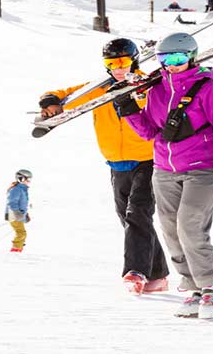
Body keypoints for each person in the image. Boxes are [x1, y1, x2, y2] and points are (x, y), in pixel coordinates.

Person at [115, 32, 213, 319]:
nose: (172, 65)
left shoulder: (209, 88)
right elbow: (149, 132)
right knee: (170, 231)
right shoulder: (156, 90)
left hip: (202, 168)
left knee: (190, 226)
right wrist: (128, 110)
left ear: (191, 57)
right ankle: (193, 287)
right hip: (164, 170)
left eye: (178, 59)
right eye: (165, 59)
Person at [38, 39, 169, 295]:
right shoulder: (100, 89)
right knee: (129, 218)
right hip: (117, 163)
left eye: (122, 62)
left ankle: (136, 271)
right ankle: (158, 275)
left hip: (149, 160)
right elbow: (63, 95)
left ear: (134, 60)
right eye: (112, 63)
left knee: (137, 214)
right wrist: (50, 103)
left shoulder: (147, 85)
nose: (118, 68)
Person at [5, 169, 33, 253]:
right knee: (21, 233)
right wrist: (17, 213)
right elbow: (11, 203)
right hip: (14, 215)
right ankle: (15, 250)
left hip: (18, 215)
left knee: (21, 233)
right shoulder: (16, 189)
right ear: (20, 178)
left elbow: (22, 204)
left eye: (30, 179)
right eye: (27, 179)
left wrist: (25, 215)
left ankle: (17, 249)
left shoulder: (23, 189)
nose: (28, 181)